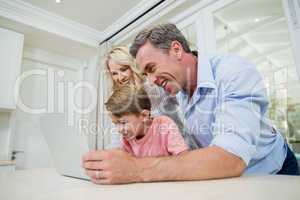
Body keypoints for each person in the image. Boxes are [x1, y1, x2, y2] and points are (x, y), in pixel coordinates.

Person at [82, 23, 299, 185]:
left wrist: (136, 170)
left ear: (177, 50)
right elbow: (134, 109)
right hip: (230, 178)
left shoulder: (233, 72)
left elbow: (231, 158)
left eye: (151, 68)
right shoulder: (173, 87)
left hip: (274, 170)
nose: (151, 79)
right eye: (145, 73)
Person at [105, 46, 199, 149]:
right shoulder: (120, 100)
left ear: (132, 65)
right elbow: (117, 135)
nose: (120, 77)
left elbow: (183, 99)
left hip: (179, 146)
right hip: (151, 155)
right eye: (114, 73)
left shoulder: (153, 85)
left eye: (123, 69)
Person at [105, 85, 188, 158]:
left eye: (123, 123)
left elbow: (183, 157)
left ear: (144, 115)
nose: (119, 129)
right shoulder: (127, 139)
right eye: (116, 124)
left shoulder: (164, 125)